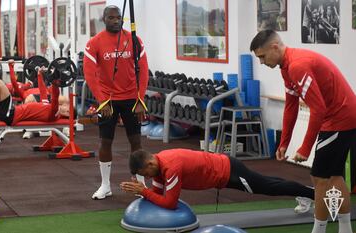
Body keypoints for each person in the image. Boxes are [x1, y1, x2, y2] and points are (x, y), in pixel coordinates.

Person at [249, 29, 356, 233]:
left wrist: (305, 148)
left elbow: (318, 109)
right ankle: (345, 229)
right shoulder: (286, 66)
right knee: (333, 176)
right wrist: (284, 143)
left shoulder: (297, 65)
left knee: (319, 177)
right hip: (338, 115)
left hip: (340, 117)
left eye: (262, 57)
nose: (262, 62)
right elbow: (291, 106)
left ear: (275, 47)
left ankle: (319, 230)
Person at [83, 5, 149, 200]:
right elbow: (90, 74)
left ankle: (140, 183)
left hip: (131, 98)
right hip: (108, 100)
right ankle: (105, 186)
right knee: (106, 141)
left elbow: (144, 70)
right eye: (111, 18)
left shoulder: (134, 40)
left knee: (136, 141)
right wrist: (103, 101)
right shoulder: (94, 43)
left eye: (118, 17)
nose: (116, 20)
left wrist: (140, 99)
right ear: (104, 19)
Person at [120, 149, 314, 212]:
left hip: (229, 172)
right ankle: (304, 192)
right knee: (268, 183)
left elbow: (169, 203)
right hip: (223, 171)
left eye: (145, 174)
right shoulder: (158, 166)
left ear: (149, 164)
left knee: (269, 188)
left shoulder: (171, 167)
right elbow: (156, 194)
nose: (147, 179)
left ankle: (310, 193)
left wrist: (143, 191)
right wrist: (141, 190)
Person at [0, 67, 66, 126]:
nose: (65, 107)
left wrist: (55, 82)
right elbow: (43, 90)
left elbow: (55, 97)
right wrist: (39, 74)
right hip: (9, 112)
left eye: (67, 110)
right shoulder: (47, 105)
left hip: (11, 115)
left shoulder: (54, 114)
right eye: (66, 107)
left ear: (68, 114)